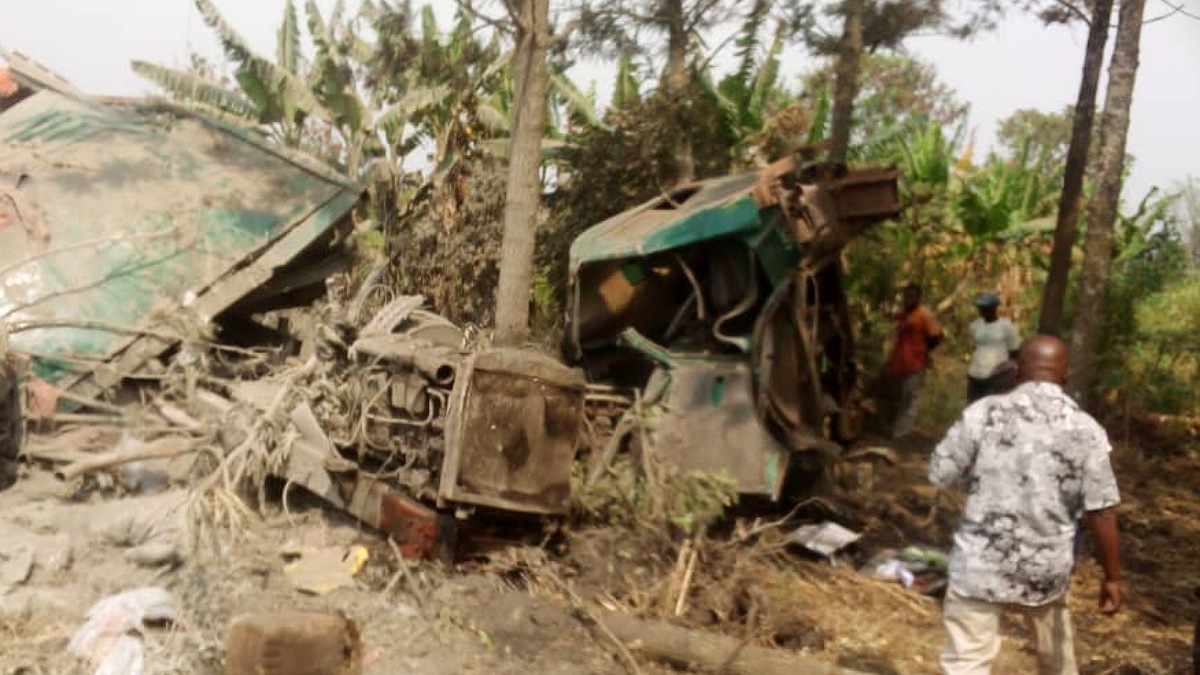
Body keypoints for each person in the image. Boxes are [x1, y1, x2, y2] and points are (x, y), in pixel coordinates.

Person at [929, 335, 1123, 674]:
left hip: (978, 565)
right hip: (1045, 572)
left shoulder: (982, 414)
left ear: (1017, 371)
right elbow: (1102, 511)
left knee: (965, 663)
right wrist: (1112, 578)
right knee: (1058, 663)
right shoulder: (1085, 430)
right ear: (1065, 375)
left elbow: (940, 473)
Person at [887, 283, 942, 438]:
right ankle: (897, 430)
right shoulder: (904, 314)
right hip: (899, 364)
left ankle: (902, 433)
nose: (907, 299)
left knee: (909, 399)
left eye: (911, 296)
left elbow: (937, 336)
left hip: (915, 364)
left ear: (918, 297)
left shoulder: (924, 314)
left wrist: (923, 351)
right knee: (899, 398)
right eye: (906, 296)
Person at [966, 293, 1020, 403]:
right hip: (976, 373)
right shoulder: (975, 326)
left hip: (997, 374)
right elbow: (973, 346)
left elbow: (1014, 351)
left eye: (986, 308)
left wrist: (1008, 372)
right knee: (973, 404)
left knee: (993, 404)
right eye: (980, 307)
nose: (982, 310)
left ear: (994, 308)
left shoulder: (1006, 326)